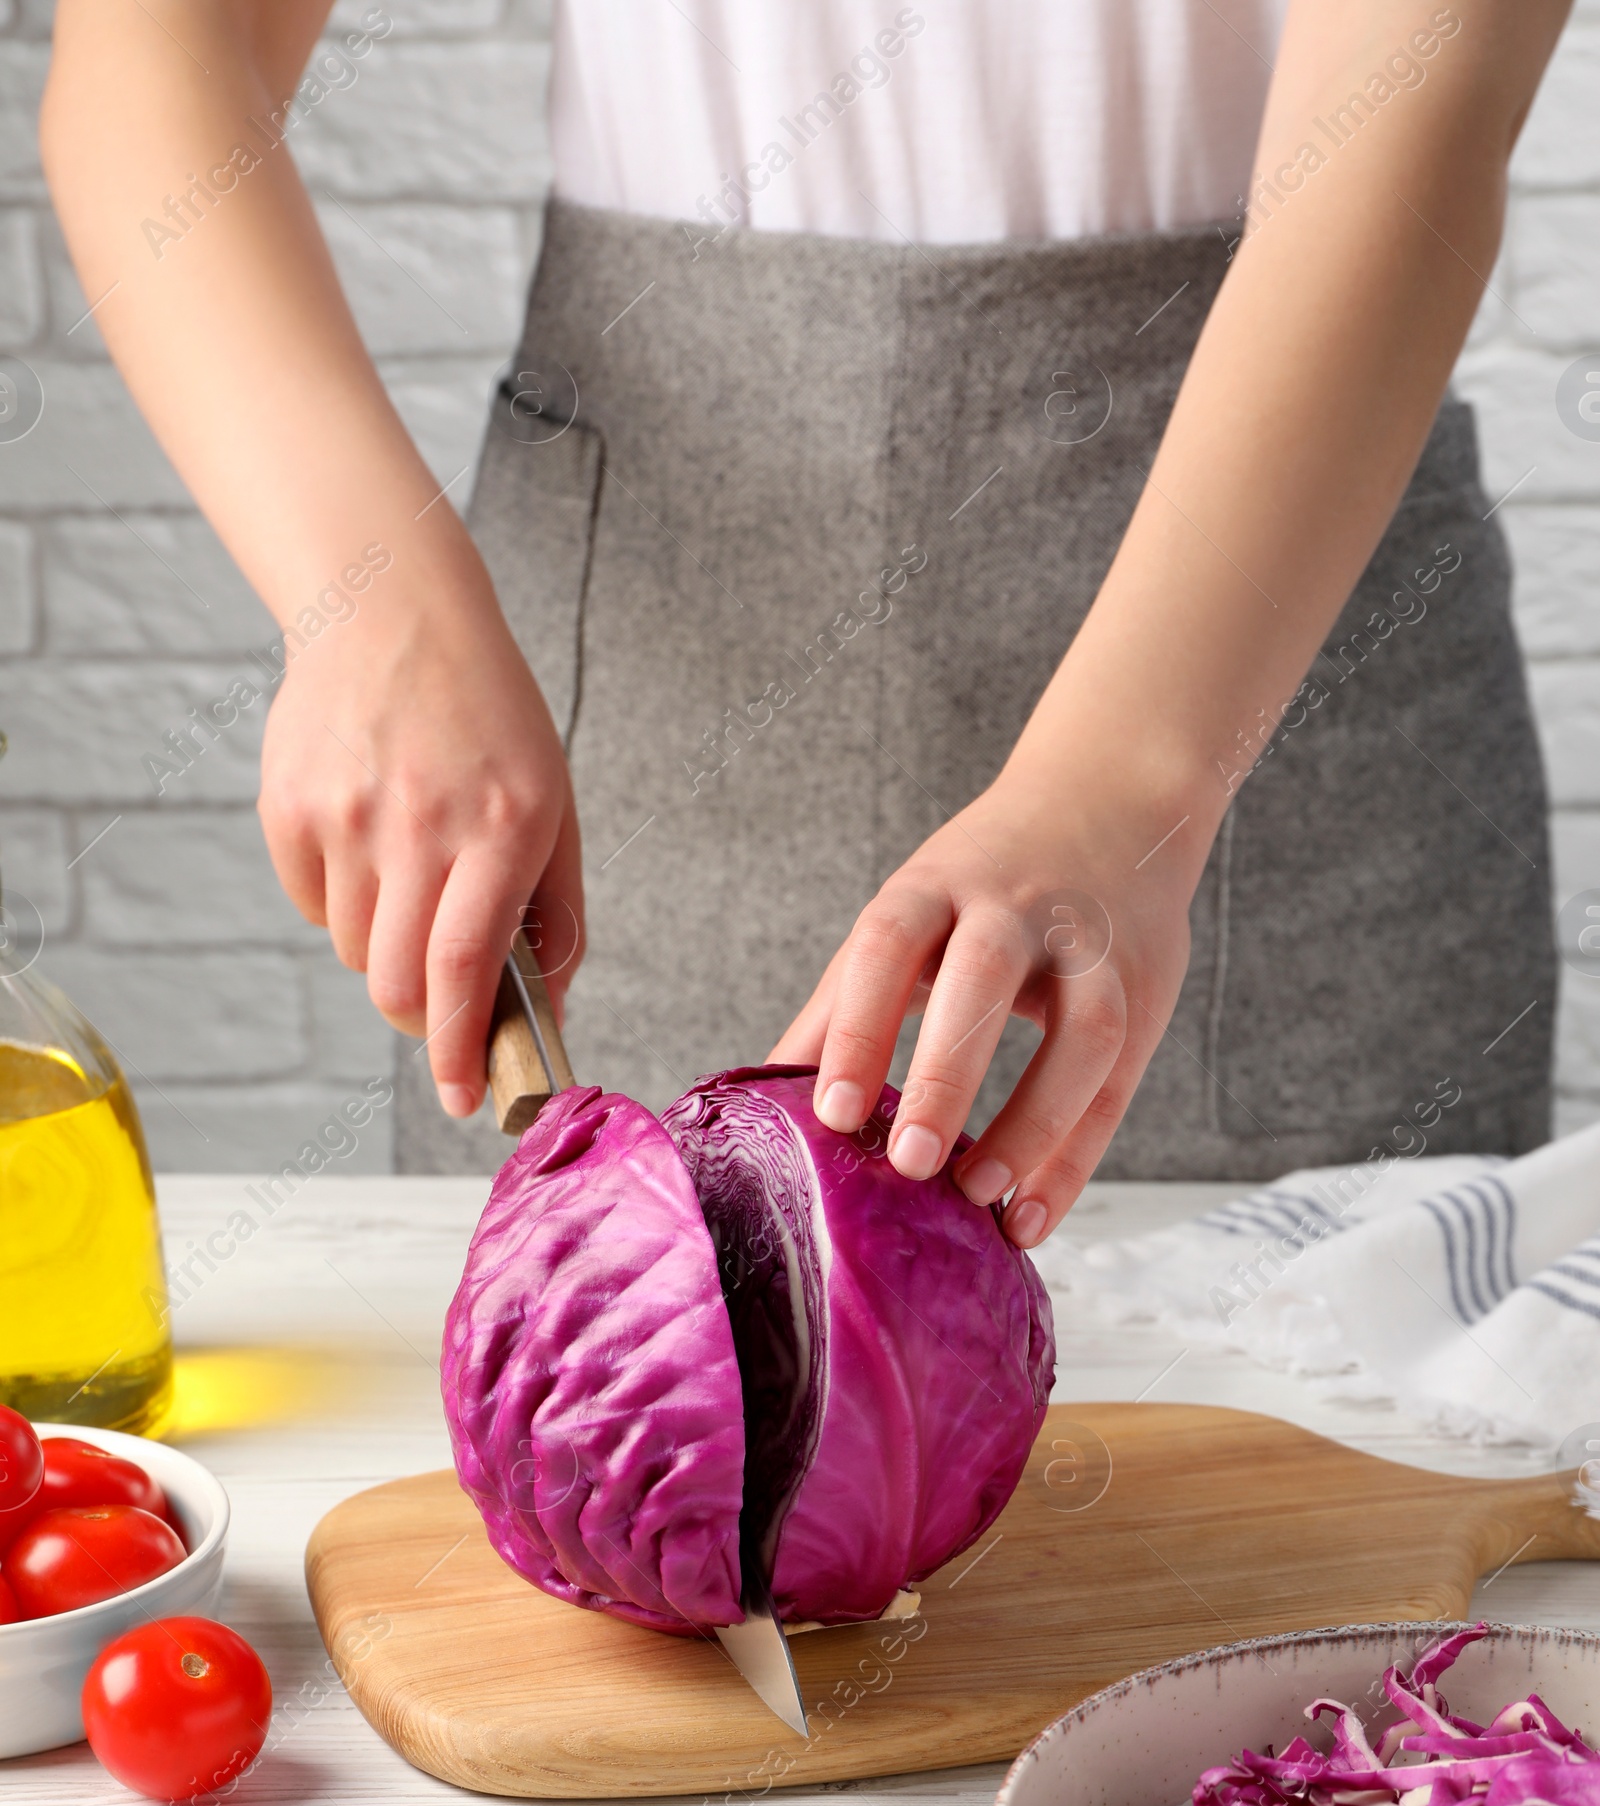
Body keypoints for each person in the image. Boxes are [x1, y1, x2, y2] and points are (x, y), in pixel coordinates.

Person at [42, 1, 1568, 1243]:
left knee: (1345, 1537)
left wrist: (1133, 781)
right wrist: (368, 598)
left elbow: (1422, 95)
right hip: (640, 723)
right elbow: (154, 53)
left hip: (1274, 705)